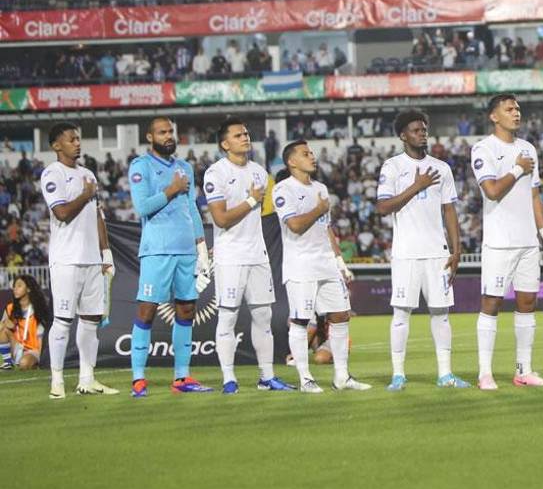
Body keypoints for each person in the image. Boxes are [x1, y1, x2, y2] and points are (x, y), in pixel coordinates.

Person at [470, 94, 543, 390]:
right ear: (494, 117)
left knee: (527, 303)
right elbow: (492, 190)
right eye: (509, 109)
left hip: (527, 243)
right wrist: (518, 168)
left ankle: (524, 370)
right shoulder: (483, 149)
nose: (516, 113)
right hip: (499, 242)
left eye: (518, 108)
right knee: (491, 303)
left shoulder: (528, 148)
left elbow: (534, 196)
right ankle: (485, 373)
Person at [376, 109, 469, 390]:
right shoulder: (392, 167)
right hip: (406, 252)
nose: (422, 133)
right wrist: (417, 186)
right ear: (403, 135)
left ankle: (445, 374)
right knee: (401, 314)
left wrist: (456, 249)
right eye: (416, 130)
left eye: (424, 129)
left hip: (438, 252)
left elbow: (449, 210)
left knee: (441, 313)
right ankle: (398, 375)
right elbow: (383, 207)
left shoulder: (441, 168)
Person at [203, 117, 293, 394]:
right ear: (224, 143)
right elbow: (220, 219)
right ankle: (229, 378)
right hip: (231, 257)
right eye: (238, 135)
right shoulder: (215, 173)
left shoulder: (258, 172)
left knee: (263, 316)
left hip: (258, 256)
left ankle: (267, 377)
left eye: (246, 133)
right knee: (228, 317)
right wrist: (252, 199)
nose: (245, 137)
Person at [274, 141, 369, 393]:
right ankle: (305, 379)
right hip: (300, 265)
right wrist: (318, 209)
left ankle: (342, 377)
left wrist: (339, 261)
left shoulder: (321, 188)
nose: (312, 157)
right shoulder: (283, 189)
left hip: (325, 263)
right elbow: (294, 225)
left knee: (340, 315)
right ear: (291, 161)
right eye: (305, 154)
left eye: (312, 153)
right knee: (301, 320)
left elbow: (326, 229)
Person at [128, 116, 212, 397]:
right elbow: (142, 206)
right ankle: (138, 379)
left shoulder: (184, 167)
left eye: (170, 132)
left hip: (186, 249)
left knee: (187, 309)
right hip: (157, 249)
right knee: (147, 310)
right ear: (150, 137)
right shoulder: (141, 166)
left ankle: (182, 377)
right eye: (162, 132)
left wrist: (201, 246)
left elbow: (191, 208)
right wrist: (171, 189)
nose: (168, 136)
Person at [39, 123, 117, 398]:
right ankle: (57, 381)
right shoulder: (52, 173)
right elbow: (61, 213)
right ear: (56, 145)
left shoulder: (88, 174)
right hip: (66, 259)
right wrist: (85, 194)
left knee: (91, 319)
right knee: (62, 320)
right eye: (71, 139)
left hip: (91, 259)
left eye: (78, 139)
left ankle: (87, 379)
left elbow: (97, 216)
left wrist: (105, 253)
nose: (77, 143)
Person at [1, 275, 50, 371]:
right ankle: (7, 363)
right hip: (18, 347)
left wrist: (42, 359)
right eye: (14, 286)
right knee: (3, 328)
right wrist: (8, 325)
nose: (15, 289)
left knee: (24, 364)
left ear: (28, 289)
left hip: (35, 349)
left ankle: (34, 364)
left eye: (19, 286)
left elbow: (43, 334)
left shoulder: (39, 308)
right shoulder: (10, 308)